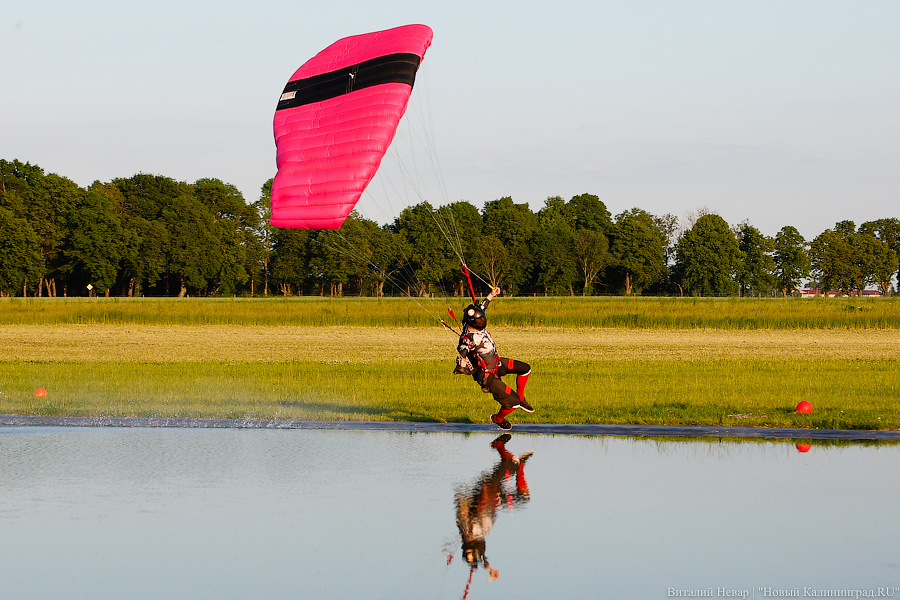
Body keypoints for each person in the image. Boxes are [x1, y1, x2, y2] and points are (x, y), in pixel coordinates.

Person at [454, 287, 533, 431]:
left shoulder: (471, 323)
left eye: (483, 319)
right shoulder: (468, 339)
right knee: (513, 403)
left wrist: (491, 294)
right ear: (473, 322)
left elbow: (482, 307)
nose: (482, 322)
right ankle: (498, 419)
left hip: (497, 363)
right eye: (480, 320)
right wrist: (461, 361)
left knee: (525, 369)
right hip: (487, 376)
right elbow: (462, 352)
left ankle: (522, 397)